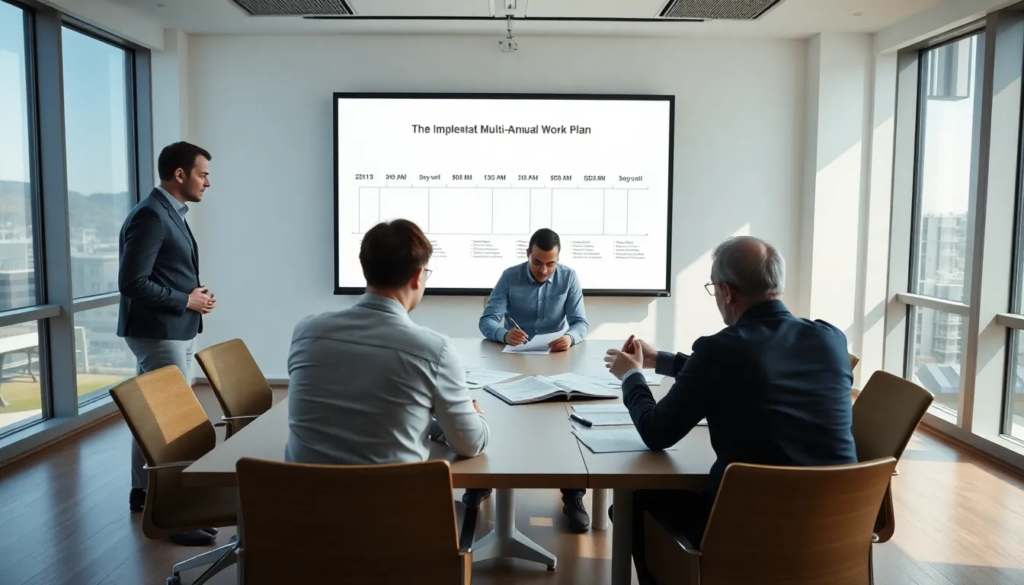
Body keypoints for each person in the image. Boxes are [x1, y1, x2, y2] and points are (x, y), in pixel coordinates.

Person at [604, 235, 857, 584]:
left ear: (726, 292)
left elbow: (655, 431)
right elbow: (753, 371)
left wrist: (631, 375)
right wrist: (658, 359)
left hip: (745, 532)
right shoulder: (831, 339)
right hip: (835, 528)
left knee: (634, 502)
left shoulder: (721, 352)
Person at [285, 219, 489, 467]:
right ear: (417, 276)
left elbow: (356, 415)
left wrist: (433, 425)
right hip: (394, 505)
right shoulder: (434, 351)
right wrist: (475, 418)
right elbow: (469, 444)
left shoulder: (306, 333)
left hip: (302, 503)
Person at [117, 141, 216, 546]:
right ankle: (173, 513)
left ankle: (144, 492)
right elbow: (132, 281)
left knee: (152, 417)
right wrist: (185, 299)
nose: (208, 182)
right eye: (202, 173)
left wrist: (194, 295)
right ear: (180, 174)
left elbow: (164, 271)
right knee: (172, 422)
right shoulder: (151, 216)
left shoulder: (166, 212)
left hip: (172, 327)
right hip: (159, 330)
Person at [468, 227, 591, 533]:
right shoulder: (510, 276)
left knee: (564, 423)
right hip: (512, 360)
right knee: (496, 414)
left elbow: (580, 323)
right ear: (528, 254)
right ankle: (482, 483)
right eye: (538, 262)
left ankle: (573, 492)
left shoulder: (569, 277)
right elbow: (487, 320)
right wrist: (503, 333)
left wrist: (569, 338)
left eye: (550, 263)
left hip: (555, 361)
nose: (544, 270)